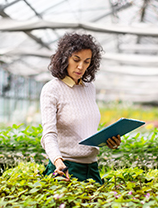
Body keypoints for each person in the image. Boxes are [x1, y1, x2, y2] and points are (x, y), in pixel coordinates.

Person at [40, 33, 121, 184]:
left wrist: (108, 141)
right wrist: (59, 163)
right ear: (64, 58)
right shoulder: (52, 89)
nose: (81, 67)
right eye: (76, 60)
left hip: (92, 168)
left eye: (86, 62)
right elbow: (49, 134)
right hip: (65, 168)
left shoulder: (89, 88)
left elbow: (84, 130)